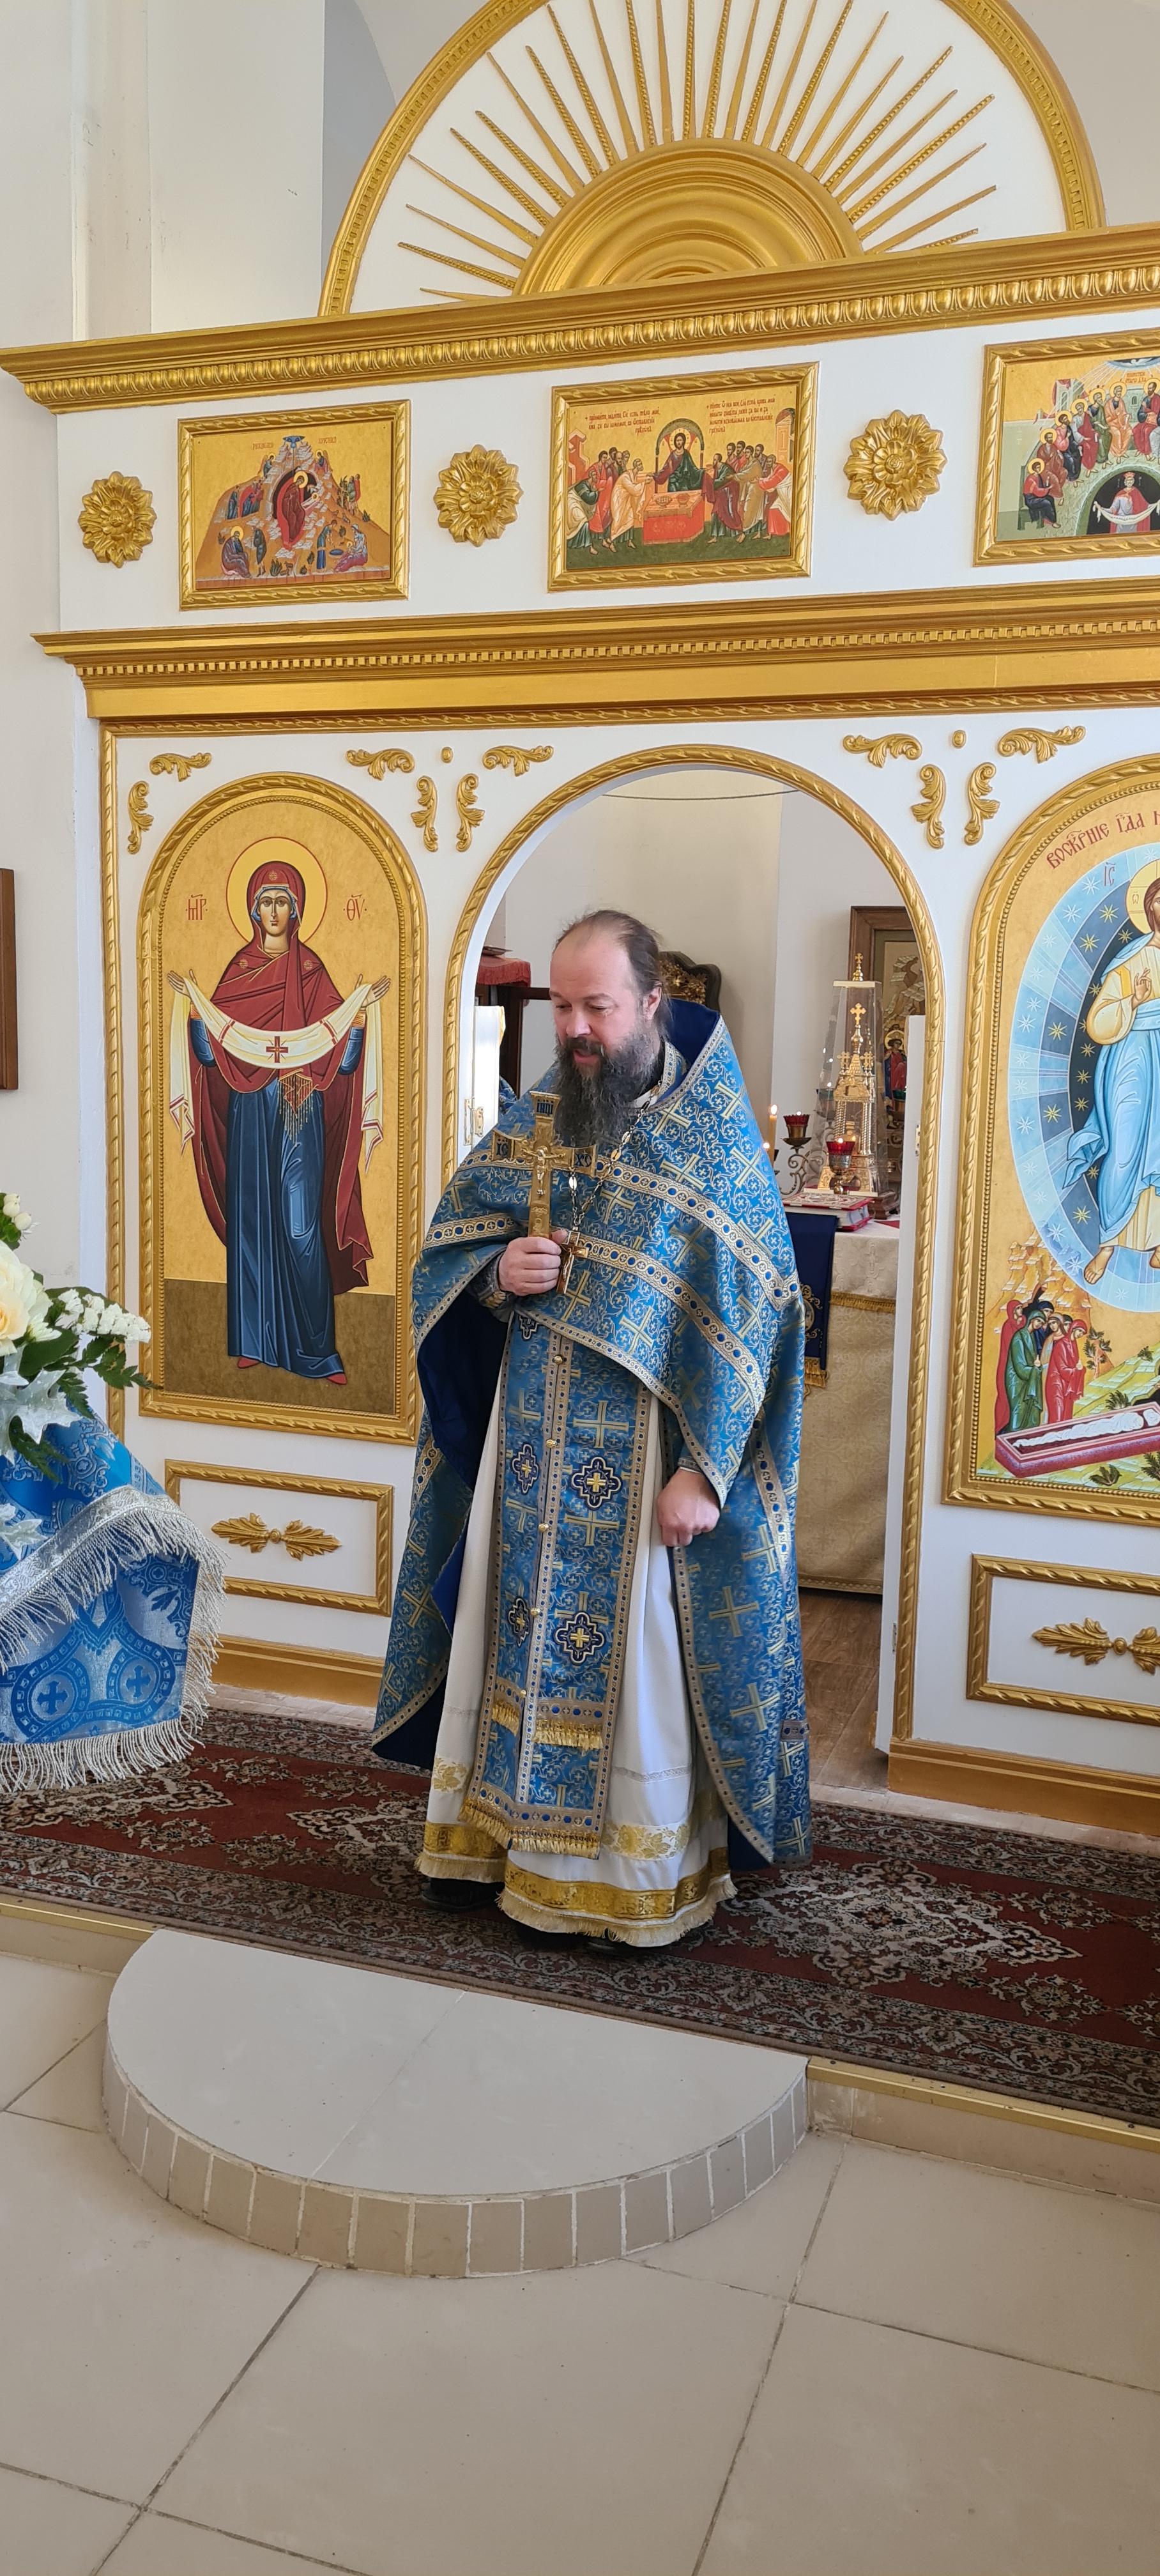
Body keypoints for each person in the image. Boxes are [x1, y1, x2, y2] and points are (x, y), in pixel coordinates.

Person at [374, 910, 809, 1947]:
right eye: (561, 1006)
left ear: (654, 1002)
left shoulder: (713, 1142)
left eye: (596, 1007)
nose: (573, 1027)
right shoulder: (540, 1116)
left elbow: (760, 1319)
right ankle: (496, 1844)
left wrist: (705, 1471)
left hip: (647, 1461)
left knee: (639, 1675)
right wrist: (496, 1272)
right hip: (526, 1454)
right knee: (511, 1637)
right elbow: (450, 1251)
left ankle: (629, 1877)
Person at [168, 851, 388, 1383]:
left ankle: (317, 1351)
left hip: (298, 1110)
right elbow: (210, 1055)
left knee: (299, 1226)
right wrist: (196, 1011)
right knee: (251, 1223)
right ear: (251, 910)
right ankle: (253, 1340)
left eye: (281, 902)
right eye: (264, 901)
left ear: (296, 909)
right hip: (249, 1110)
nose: (272, 911)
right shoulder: (238, 973)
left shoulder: (312, 973)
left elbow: (343, 1062)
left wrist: (358, 1018)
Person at [1065, 871, 1160, 1282]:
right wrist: (1133, 1004)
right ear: (1149, 909)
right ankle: (1107, 1245)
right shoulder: (1131, 961)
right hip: (1133, 1061)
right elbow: (1098, 1023)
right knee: (1124, 1150)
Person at [1044, 1314, 1085, 1423]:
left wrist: (1081, 1369)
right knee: (1058, 1415)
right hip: (1056, 1384)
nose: (1080, 1334)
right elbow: (1062, 1368)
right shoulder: (1061, 1344)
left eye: (1083, 1333)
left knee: (1066, 1416)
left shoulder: (1073, 1345)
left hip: (1067, 1385)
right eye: (1080, 1331)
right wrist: (1077, 1371)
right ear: (1074, 1328)